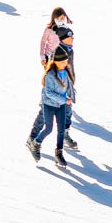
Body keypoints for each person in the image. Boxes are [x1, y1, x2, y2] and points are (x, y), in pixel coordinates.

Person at [34, 9, 80, 151]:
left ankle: (64, 132)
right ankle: (46, 100)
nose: (61, 20)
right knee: (51, 86)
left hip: (62, 66)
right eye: (59, 18)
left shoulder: (66, 35)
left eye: (63, 17)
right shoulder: (50, 30)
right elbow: (43, 43)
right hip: (51, 60)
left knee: (65, 103)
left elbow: (70, 64)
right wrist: (43, 57)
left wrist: (71, 81)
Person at [26, 48, 75, 168]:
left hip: (61, 105)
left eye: (66, 61)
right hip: (49, 105)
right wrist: (64, 100)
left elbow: (68, 85)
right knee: (48, 128)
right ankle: (36, 143)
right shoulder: (50, 75)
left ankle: (59, 153)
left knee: (61, 130)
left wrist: (71, 95)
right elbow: (49, 93)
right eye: (63, 61)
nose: (65, 63)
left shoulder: (66, 72)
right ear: (56, 62)